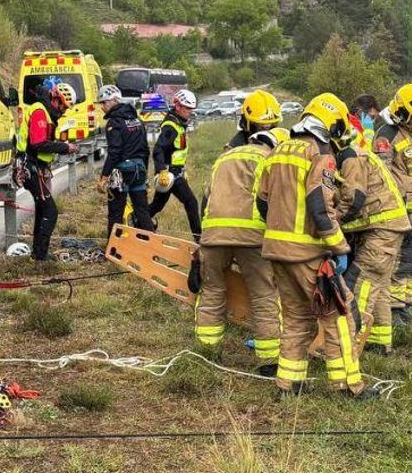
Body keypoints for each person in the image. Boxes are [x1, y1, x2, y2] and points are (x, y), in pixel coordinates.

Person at [258, 93, 375, 400]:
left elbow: (262, 202)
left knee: (296, 318)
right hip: (308, 253)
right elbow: (318, 205)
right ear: (329, 127)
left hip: (276, 252)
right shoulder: (319, 157)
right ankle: (350, 386)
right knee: (340, 317)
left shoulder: (277, 151)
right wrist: (339, 247)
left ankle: (289, 384)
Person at [196, 128, 289, 375]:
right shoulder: (268, 159)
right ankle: (269, 359)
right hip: (252, 237)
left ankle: (207, 351)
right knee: (263, 296)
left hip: (214, 234)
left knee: (212, 291)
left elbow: (206, 197)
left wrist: (203, 237)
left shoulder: (224, 158)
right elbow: (272, 200)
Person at [337, 117, 411, 354]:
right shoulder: (360, 153)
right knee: (378, 288)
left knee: (359, 286)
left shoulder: (351, 158)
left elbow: (352, 200)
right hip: (390, 229)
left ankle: (347, 349)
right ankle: (379, 342)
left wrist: (331, 224)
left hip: (382, 232)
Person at [373, 84, 412, 324]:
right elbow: (381, 174)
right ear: (403, 113)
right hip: (402, 209)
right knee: (402, 258)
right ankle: (393, 307)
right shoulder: (386, 135)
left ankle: (406, 303)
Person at [18, 82, 77, 261]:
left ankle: (38, 253)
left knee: (43, 209)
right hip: (31, 166)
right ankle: (41, 255)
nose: (64, 111)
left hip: (38, 167)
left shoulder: (46, 113)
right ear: (55, 99)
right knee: (50, 211)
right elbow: (38, 143)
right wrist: (64, 147)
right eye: (63, 107)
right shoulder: (40, 112)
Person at [96, 85, 155, 237]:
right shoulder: (137, 120)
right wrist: (145, 173)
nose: (102, 107)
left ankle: (114, 250)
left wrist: (104, 176)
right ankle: (151, 247)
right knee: (142, 212)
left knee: (115, 213)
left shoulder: (114, 123)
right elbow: (146, 149)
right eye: (100, 103)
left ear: (115, 100)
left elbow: (114, 152)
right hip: (139, 170)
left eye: (104, 102)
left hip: (122, 173)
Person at [149, 89, 202, 240]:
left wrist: (182, 169)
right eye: (187, 108)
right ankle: (199, 238)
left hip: (176, 173)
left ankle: (138, 221)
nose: (190, 112)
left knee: (157, 205)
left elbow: (177, 151)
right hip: (169, 175)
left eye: (191, 109)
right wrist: (162, 171)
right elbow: (158, 149)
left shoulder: (179, 123)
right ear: (178, 106)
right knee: (191, 202)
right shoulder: (171, 126)